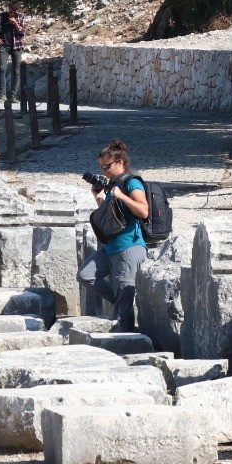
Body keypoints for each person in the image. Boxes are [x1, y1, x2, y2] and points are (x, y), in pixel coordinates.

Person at [77, 139, 149, 333]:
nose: (103, 171)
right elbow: (112, 218)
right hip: (109, 248)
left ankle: (128, 341)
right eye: (101, 167)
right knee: (85, 275)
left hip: (128, 247)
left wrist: (121, 196)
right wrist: (99, 198)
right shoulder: (113, 185)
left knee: (125, 300)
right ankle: (119, 306)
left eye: (106, 166)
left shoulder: (132, 182)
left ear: (119, 163)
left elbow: (143, 211)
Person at [0, 3, 27, 102]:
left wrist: (16, 24)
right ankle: (2, 95)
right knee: (2, 69)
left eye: (13, 13)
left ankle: (13, 95)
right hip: (4, 46)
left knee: (16, 71)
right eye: (10, 12)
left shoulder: (21, 17)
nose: (11, 14)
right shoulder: (2, 16)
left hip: (17, 46)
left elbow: (22, 32)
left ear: (17, 11)